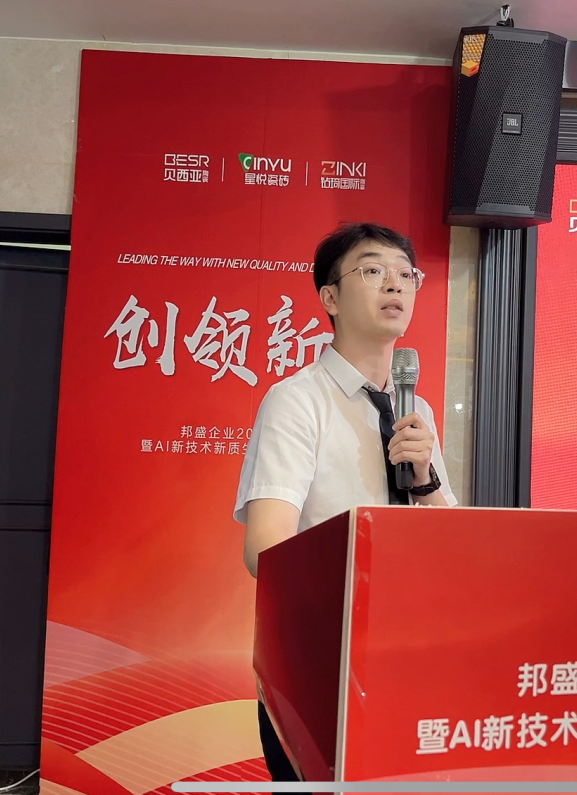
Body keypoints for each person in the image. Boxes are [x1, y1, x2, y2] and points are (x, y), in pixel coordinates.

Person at [234, 222, 457, 782]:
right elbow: (265, 550)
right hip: (320, 664)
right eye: (373, 270)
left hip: (405, 657)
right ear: (330, 298)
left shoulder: (417, 411)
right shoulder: (297, 401)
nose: (395, 284)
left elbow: (453, 546)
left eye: (405, 273)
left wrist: (425, 480)